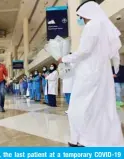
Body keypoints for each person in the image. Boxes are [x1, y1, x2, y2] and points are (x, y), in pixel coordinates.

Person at [58, 1, 124, 146]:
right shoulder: (104, 27)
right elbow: (114, 54)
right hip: (102, 73)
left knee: (79, 106)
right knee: (100, 106)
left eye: (80, 16)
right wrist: (114, 69)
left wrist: (65, 58)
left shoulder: (92, 26)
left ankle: (81, 139)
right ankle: (95, 139)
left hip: (89, 74)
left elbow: (84, 51)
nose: (80, 19)